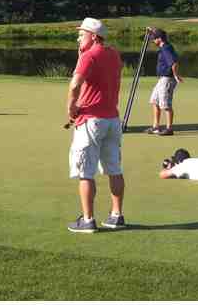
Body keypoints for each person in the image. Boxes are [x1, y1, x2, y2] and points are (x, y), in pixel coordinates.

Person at [66, 18, 125, 233]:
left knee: (86, 172)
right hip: (112, 120)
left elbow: (75, 84)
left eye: (81, 34)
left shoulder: (89, 56)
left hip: (91, 121)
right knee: (114, 170)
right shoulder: (113, 54)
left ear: (93, 36)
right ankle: (116, 216)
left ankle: (88, 220)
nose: (78, 38)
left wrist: (71, 108)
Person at [145, 28, 183, 136]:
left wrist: (176, 75)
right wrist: (151, 30)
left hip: (167, 79)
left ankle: (169, 129)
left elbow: (174, 63)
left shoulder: (166, 48)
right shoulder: (164, 47)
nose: (153, 41)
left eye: (154, 38)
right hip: (162, 79)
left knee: (165, 104)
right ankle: (156, 127)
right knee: (154, 101)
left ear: (160, 39)